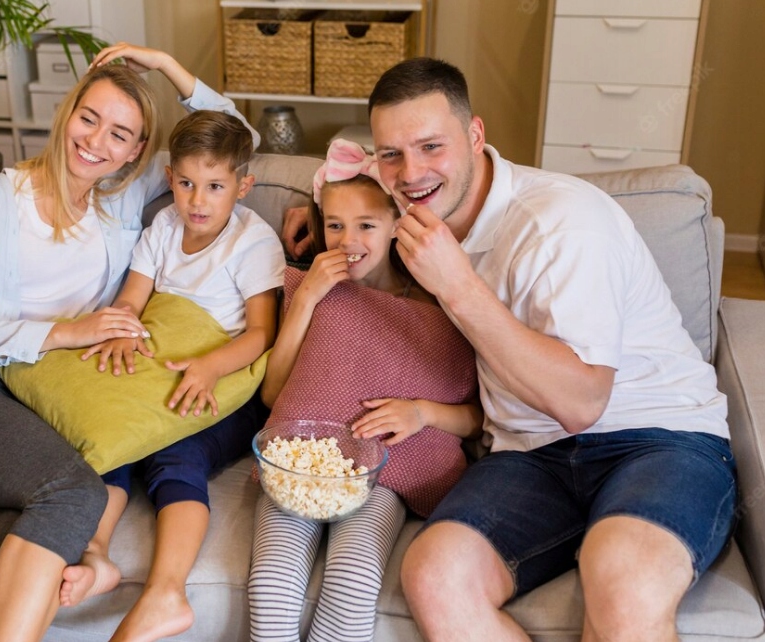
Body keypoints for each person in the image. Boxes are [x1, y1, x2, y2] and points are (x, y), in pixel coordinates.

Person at [279, 57, 735, 641]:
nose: (411, 172)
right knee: (436, 576)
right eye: (392, 154)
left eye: (431, 147)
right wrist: (315, 209)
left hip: (656, 437)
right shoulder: (415, 206)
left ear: (475, 136)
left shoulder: (561, 223)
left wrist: (460, 287)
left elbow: (582, 403)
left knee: (623, 581)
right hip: (528, 453)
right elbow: (359, 181)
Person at [0, 43, 260, 642]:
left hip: (68, 393)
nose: (96, 142)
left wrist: (165, 65)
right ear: (67, 111)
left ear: (137, 152)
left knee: (21, 543)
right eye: (89, 118)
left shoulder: (121, 194)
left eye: (120, 134)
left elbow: (235, 137)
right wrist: (65, 333)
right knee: (71, 495)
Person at [57, 109, 285, 642]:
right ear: (170, 179)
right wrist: (121, 329)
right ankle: (96, 553)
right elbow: (132, 298)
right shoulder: (164, 226)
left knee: (176, 455)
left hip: (227, 380)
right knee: (114, 434)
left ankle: (166, 593)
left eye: (214, 187)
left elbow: (262, 333)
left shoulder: (253, 241)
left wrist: (211, 365)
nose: (197, 201)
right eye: (185, 184)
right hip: (164, 366)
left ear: (243, 186)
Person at [247, 139, 481, 642]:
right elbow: (272, 396)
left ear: (399, 223)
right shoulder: (310, 289)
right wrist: (307, 298)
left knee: (353, 582)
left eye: (366, 226)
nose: (347, 241)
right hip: (297, 470)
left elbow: (479, 418)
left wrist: (422, 412)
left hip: (383, 479)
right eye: (334, 225)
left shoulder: (440, 304)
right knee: (270, 584)